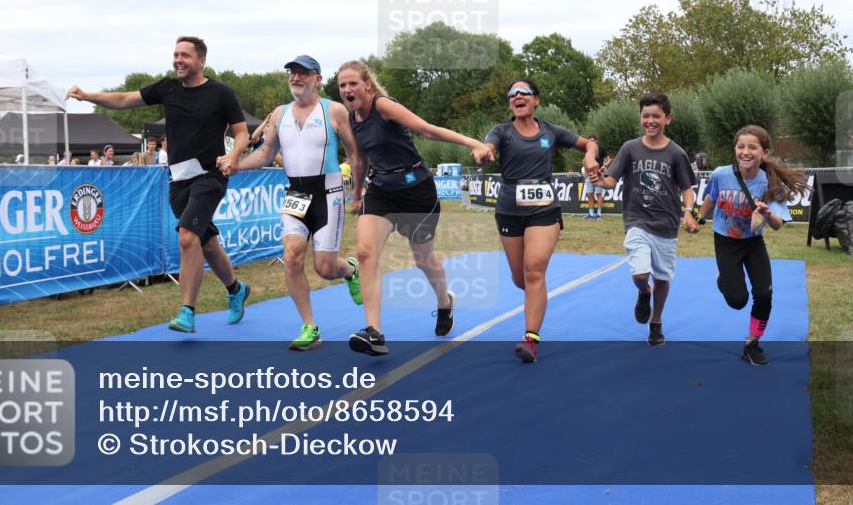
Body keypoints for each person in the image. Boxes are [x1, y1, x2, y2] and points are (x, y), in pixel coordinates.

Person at [67, 35, 251, 333]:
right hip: (177, 181)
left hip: (209, 177)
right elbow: (126, 99)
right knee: (207, 244)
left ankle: (186, 312)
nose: (178, 60)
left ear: (201, 61)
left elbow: (242, 133)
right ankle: (236, 289)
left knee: (188, 237)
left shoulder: (221, 93)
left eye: (185, 55)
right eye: (175, 54)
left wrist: (233, 154)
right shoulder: (167, 88)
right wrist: (88, 96)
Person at [336, 60, 494, 356]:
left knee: (423, 260)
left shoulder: (383, 106)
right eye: (342, 85)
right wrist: (357, 194)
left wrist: (472, 143)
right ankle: (374, 333)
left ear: (367, 85)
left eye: (352, 83)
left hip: (416, 190)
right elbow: (359, 160)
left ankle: (444, 302)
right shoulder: (352, 118)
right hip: (381, 189)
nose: (347, 89)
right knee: (366, 253)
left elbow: (427, 130)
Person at [232, 55, 365, 350]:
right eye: (292, 73)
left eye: (303, 73)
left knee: (324, 268)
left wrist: (357, 192)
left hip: (328, 192)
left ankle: (350, 270)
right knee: (292, 255)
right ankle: (310, 327)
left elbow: (354, 153)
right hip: (296, 193)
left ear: (317, 78)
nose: (296, 78)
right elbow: (266, 154)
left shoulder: (335, 111)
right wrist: (236, 164)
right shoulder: (279, 114)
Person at [481, 79, 599, 363]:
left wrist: (590, 157)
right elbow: (488, 149)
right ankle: (536, 294)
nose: (517, 96)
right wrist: (485, 155)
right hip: (509, 210)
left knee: (534, 271)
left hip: (544, 210)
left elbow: (589, 144)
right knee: (521, 278)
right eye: (512, 94)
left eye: (524, 92)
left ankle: (530, 339)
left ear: (536, 100)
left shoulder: (551, 131)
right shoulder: (501, 131)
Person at [591, 93, 699, 347]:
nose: (650, 121)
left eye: (656, 116)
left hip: (666, 224)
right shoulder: (630, 148)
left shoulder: (676, 153)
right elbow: (611, 181)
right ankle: (643, 292)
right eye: (645, 116)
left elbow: (686, 187)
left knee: (662, 278)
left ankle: (656, 321)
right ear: (640, 118)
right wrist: (599, 180)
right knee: (641, 274)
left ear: (667, 118)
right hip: (636, 220)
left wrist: (688, 211)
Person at [696, 125, 808, 366]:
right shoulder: (720, 174)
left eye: (752, 147)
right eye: (741, 146)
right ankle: (724, 279)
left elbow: (778, 224)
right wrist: (698, 217)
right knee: (737, 301)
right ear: (735, 149)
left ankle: (751, 344)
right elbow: (711, 198)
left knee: (764, 294)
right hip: (725, 242)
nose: (745, 152)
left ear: (764, 153)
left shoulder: (770, 182)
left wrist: (767, 214)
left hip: (753, 243)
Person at [580, 135, 609, 220]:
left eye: (593, 140)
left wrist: (604, 166)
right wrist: (585, 170)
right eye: (590, 141)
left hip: (598, 174)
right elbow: (584, 161)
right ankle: (591, 214)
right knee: (590, 195)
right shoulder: (587, 150)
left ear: (596, 141)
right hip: (589, 175)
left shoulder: (601, 149)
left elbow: (609, 159)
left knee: (598, 194)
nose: (591, 142)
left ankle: (599, 214)